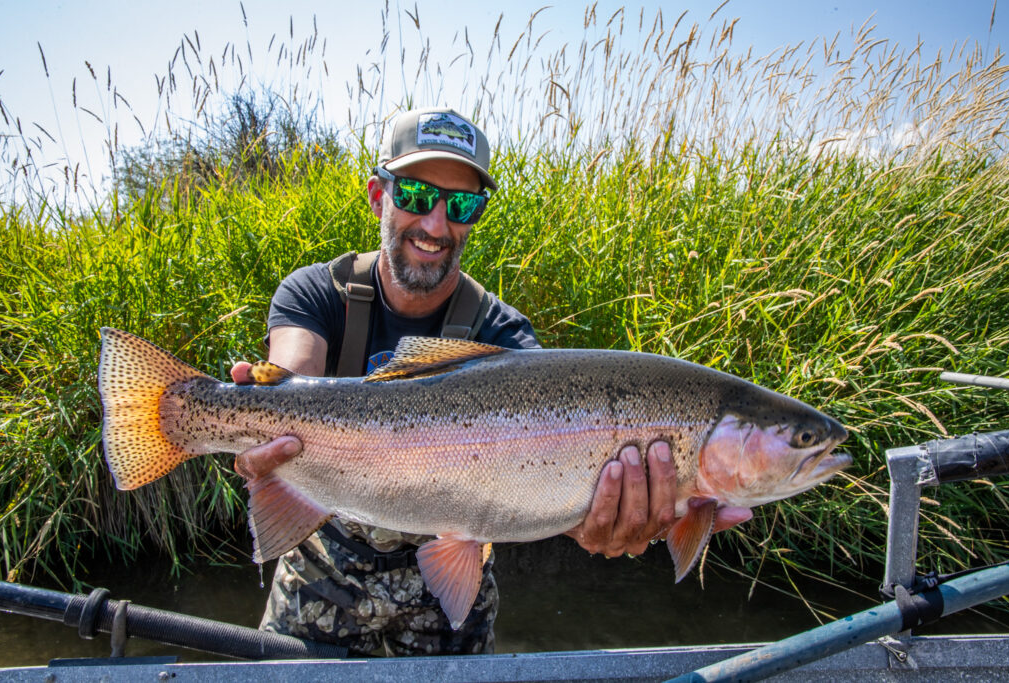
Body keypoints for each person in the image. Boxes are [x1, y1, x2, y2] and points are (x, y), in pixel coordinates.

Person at [230, 107, 679, 657]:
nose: (437, 225)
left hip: (447, 607)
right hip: (317, 588)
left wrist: (592, 522)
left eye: (461, 205)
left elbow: (542, 476)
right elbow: (294, 375)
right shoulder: (316, 294)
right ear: (378, 195)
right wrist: (252, 422)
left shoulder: (504, 334)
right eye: (417, 196)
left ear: (475, 216)